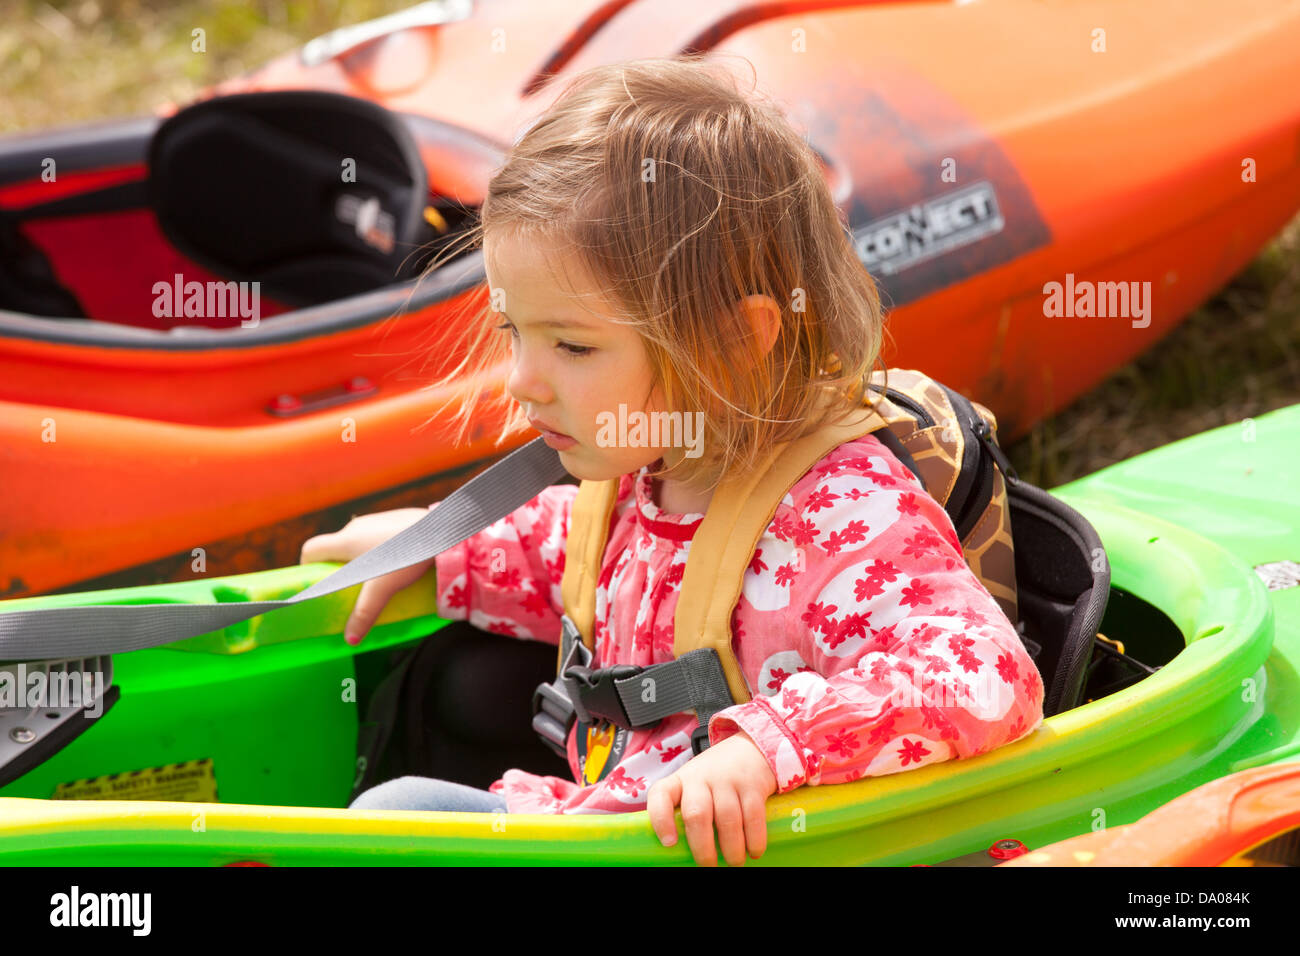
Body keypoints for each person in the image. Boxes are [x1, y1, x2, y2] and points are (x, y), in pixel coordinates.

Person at [299, 55, 1044, 866]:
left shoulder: (843, 516)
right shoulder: (644, 473)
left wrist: (773, 746)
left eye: (573, 345)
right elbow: (573, 564)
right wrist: (445, 546)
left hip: (727, 850)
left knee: (394, 823)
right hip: (607, 826)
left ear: (733, 342)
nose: (521, 380)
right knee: (393, 816)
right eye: (517, 333)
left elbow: (985, 673)